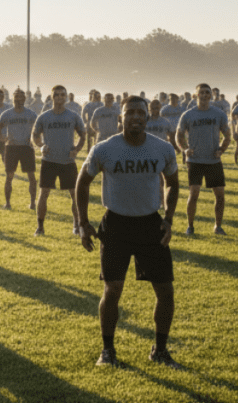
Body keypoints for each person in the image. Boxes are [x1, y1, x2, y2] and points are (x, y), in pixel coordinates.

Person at [76, 96, 180, 369]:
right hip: (116, 226)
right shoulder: (105, 149)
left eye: (140, 112)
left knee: (166, 292)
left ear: (147, 117)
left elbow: (172, 183)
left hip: (150, 225)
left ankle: (160, 350)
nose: (135, 116)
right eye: (129, 112)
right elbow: (82, 183)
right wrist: (83, 224)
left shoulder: (163, 148)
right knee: (112, 290)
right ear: (120, 118)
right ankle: (108, 351)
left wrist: (168, 219)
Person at [175, 83, 231, 236]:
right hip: (195, 160)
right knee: (194, 194)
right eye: (202, 92)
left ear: (211, 95)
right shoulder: (188, 115)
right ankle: (190, 227)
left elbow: (227, 135)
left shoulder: (219, 114)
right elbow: (178, 135)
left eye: (208, 92)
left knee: (220, 195)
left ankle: (218, 227)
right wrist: (185, 149)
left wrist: (222, 149)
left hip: (213, 161)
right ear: (196, 95)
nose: (205, 95)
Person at [32, 85, 87, 237]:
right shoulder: (44, 117)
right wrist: (41, 146)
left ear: (66, 97)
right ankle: (40, 227)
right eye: (57, 95)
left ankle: (76, 225)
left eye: (63, 95)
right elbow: (35, 134)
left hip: (68, 162)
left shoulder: (73, 116)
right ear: (52, 97)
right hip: (48, 161)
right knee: (43, 194)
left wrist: (76, 149)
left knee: (74, 194)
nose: (60, 97)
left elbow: (83, 134)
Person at [0, 89, 38, 211]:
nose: (18, 100)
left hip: (26, 148)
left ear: (25, 99)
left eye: (21, 98)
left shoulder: (31, 114)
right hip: (11, 148)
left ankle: (32, 203)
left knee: (31, 176)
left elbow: (38, 128)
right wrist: (3, 138)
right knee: (9, 176)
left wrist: (34, 140)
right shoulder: (7, 114)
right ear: (12, 99)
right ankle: (8, 203)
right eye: (16, 98)